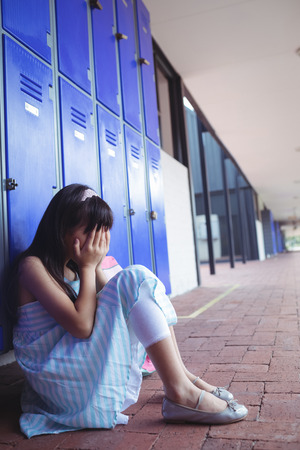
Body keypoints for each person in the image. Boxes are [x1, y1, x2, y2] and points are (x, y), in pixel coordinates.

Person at [6, 184, 247, 438]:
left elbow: (124, 299)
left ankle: (182, 379)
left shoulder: (75, 267)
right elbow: (82, 326)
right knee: (136, 278)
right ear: (61, 228)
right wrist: (88, 266)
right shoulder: (32, 267)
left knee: (140, 281)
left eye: (102, 231)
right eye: (90, 230)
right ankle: (180, 391)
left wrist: (92, 265)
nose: (96, 240)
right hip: (59, 382)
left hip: (75, 362)